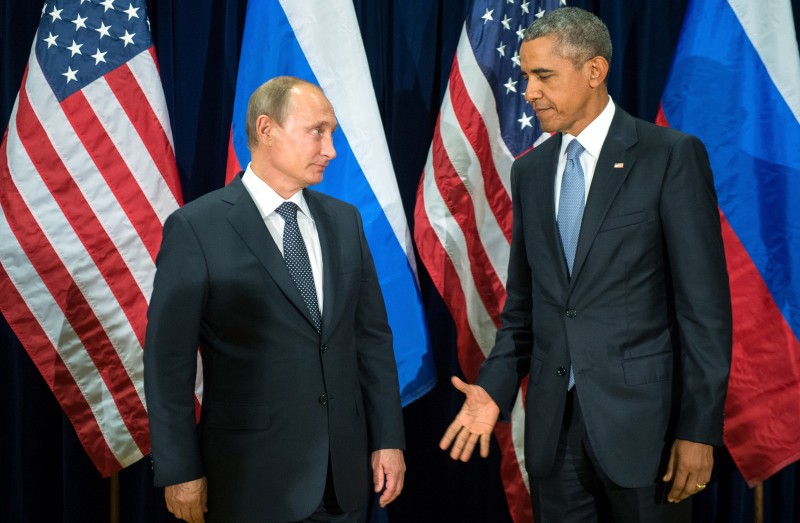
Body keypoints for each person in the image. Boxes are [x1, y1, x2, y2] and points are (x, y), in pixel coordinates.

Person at [439, 7, 732, 522]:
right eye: (526, 75)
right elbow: (525, 311)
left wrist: (698, 430)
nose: (528, 91)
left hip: (648, 436)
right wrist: (494, 389)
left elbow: (704, 312)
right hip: (557, 435)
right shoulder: (531, 172)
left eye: (543, 76)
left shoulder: (668, 156)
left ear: (594, 71)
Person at [144, 76, 406, 523]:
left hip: (342, 482)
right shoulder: (197, 228)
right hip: (249, 481)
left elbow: (372, 341)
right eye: (317, 131)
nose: (331, 150)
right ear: (266, 130)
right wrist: (179, 468)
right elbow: (168, 362)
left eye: (333, 134)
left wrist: (389, 438)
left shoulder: (345, 221)